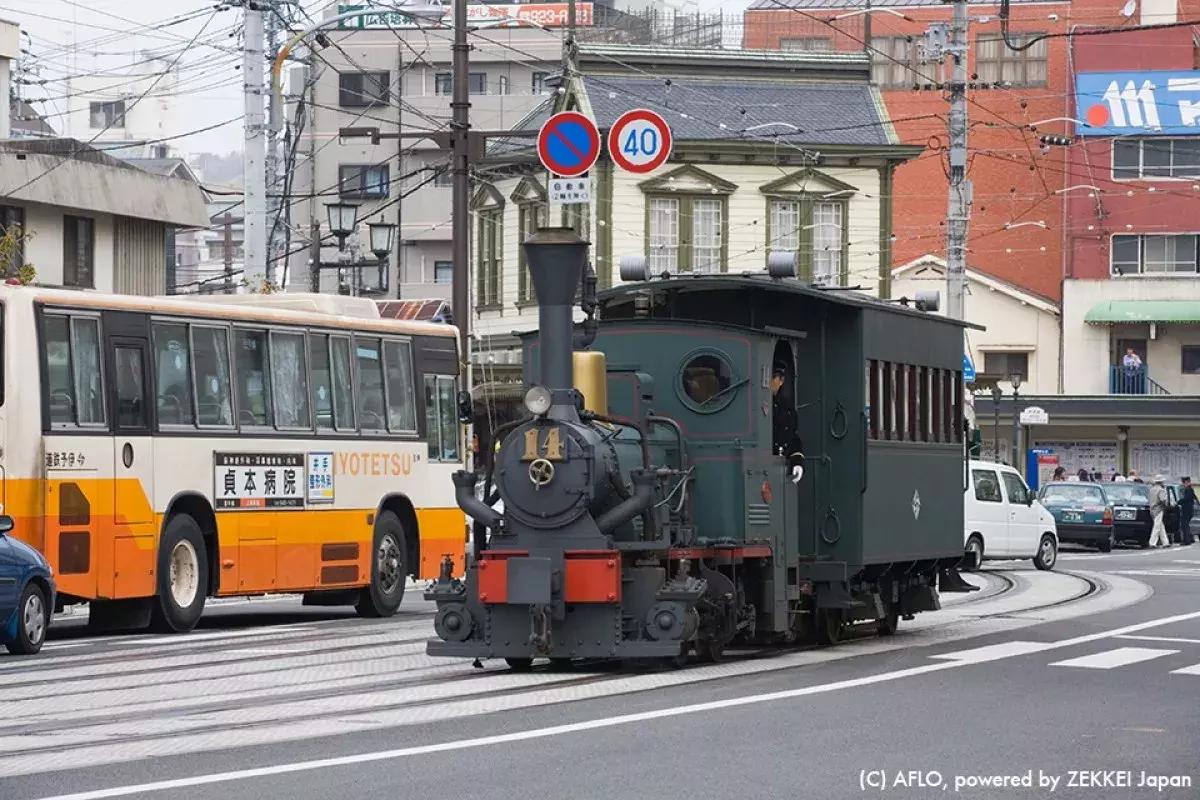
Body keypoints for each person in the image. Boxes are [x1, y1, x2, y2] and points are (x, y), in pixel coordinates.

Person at [771, 362, 804, 484]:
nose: (769, 381)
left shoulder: (787, 408)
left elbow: (793, 437)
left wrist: (797, 462)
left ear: (781, 381)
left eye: (773, 377)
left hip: (780, 468)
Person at [1149, 475, 1171, 548]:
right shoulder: (1161, 490)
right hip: (1159, 509)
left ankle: (1165, 542)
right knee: (1157, 526)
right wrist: (1166, 505)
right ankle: (1152, 542)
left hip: (1152, 509)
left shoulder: (1151, 489)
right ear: (1161, 482)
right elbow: (1163, 499)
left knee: (1161, 526)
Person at [1179, 477, 1197, 546]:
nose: (1183, 484)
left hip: (1187, 510)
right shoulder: (1190, 489)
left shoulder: (1188, 489)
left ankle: (1186, 541)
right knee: (1186, 525)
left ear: (1187, 482)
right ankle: (1190, 539)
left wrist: (1178, 502)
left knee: (1184, 525)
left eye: (1184, 483)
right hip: (1189, 510)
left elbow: (1186, 499)